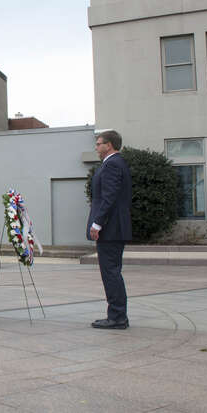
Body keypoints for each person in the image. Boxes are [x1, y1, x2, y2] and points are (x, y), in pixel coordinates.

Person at [87, 130, 132, 329]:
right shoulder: (113, 163)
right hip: (113, 226)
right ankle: (117, 314)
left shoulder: (113, 164)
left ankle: (117, 317)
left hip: (111, 227)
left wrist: (97, 223)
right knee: (111, 271)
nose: (96, 147)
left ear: (109, 145)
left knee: (110, 272)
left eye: (99, 144)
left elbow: (109, 197)